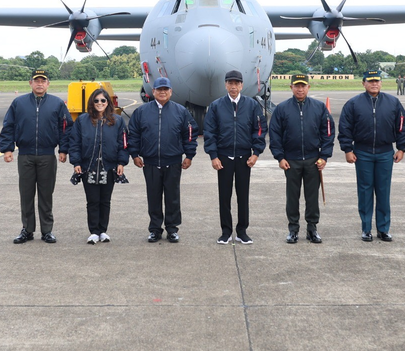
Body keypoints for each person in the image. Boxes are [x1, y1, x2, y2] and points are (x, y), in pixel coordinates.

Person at [0, 70, 73, 244]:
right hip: (25, 154)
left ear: (48, 84)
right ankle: (27, 229)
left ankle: (47, 230)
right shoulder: (19, 103)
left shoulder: (57, 104)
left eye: (43, 81)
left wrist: (64, 149)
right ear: (30, 83)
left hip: (47, 155)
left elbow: (66, 128)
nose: (39, 84)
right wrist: (7, 149)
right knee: (26, 194)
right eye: (36, 81)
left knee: (46, 194)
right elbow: (8, 126)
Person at [338, 69, 405, 242]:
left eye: (377, 81)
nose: (374, 84)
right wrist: (348, 149)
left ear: (381, 83)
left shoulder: (393, 102)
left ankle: (383, 229)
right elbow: (345, 128)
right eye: (370, 81)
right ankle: (366, 228)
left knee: (384, 192)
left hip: (385, 153)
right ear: (363, 83)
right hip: (362, 153)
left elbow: (402, 126)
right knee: (365, 191)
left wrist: (401, 148)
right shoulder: (353, 104)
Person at [128, 77, 198, 243]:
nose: (162, 92)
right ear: (153, 92)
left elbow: (190, 134)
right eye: (159, 89)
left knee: (172, 197)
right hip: (150, 162)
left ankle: (172, 229)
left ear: (171, 92)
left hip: (173, 162)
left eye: (165, 89)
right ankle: (155, 229)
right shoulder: (142, 112)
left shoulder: (181, 111)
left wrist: (189, 155)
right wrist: (135, 154)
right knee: (153, 196)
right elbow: (134, 134)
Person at [269, 73, 335, 243]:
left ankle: (312, 228)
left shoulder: (319, 108)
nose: (300, 89)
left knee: (312, 196)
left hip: (313, 160)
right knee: (292, 196)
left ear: (308, 87)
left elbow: (328, 133)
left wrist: (324, 156)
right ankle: (293, 229)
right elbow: (275, 134)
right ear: (291, 87)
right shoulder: (281, 109)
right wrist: (280, 157)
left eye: (303, 86)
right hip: (291, 160)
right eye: (296, 86)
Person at [203, 70, 267, 245]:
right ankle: (225, 231)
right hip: (223, 158)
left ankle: (242, 231)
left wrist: (256, 153)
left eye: (236, 83)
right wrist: (213, 156)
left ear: (241, 85)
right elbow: (210, 132)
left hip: (244, 157)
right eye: (230, 83)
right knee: (224, 196)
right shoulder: (216, 106)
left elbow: (259, 129)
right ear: (225, 85)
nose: (233, 86)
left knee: (242, 195)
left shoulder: (252, 106)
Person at [69, 89, 129, 244]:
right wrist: (76, 162)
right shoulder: (82, 120)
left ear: (108, 102)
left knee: (105, 200)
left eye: (103, 100)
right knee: (92, 200)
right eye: (96, 101)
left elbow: (123, 144)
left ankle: (103, 230)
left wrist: (121, 162)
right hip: (88, 166)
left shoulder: (117, 121)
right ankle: (94, 231)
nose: (100, 103)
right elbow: (75, 143)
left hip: (109, 166)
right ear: (92, 103)